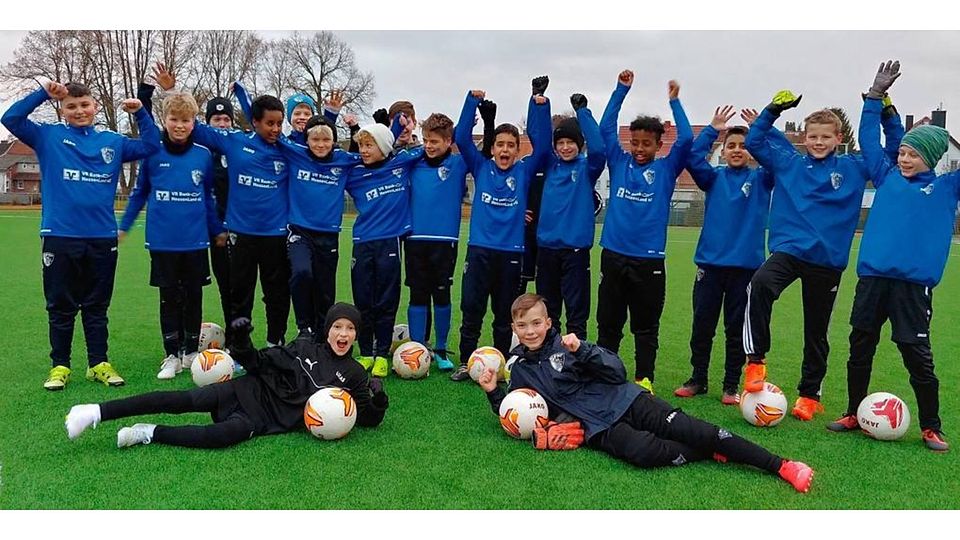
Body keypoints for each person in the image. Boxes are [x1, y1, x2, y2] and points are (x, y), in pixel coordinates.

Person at [476, 293, 814, 493]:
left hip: (626, 399)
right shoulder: (519, 368)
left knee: (694, 429)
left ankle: (781, 465)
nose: (530, 331)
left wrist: (583, 350)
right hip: (597, 428)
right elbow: (519, 410)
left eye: (537, 323)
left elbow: (617, 371)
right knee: (642, 454)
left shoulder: (569, 345)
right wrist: (495, 392)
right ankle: (710, 452)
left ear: (549, 322)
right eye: (523, 325)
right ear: (514, 328)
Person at [741, 66, 905, 421]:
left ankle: (810, 394)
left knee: (816, 329)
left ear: (838, 137)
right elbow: (754, 141)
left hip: (827, 261)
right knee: (759, 285)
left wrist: (887, 110)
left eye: (824, 137)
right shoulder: (788, 162)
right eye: (812, 136)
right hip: (788, 252)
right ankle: (755, 362)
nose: (817, 142)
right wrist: (773, 110)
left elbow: (892, 149)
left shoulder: (855, 166)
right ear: (805, 138)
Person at [1, 79, 161, 390]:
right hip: (60, 236)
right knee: (60, 305)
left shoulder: (112, 142)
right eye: (72, 106)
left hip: (101, 237)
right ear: (62, 110)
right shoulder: (49, 136)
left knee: (96, 305)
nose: (79, 111)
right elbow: (11, 119)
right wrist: (43, 93)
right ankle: (60, 366)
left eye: (85, 105)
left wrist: (141, 112)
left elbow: (151, 146)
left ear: (95, 106)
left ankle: (98, 363)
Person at [827, 60, 952, 452]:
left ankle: (931, 426)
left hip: (912, 289)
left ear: (931, 158)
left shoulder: (947, 188)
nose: (904, 158)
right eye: (902, 152)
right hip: (872, 281)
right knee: (860, 345)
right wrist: (875, 97)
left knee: (916, 353)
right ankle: (852, 411)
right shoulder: (886, 176)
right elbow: (867, 137)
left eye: (913, 154)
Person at [63, 303, 388, 449]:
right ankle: (96, 412)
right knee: (181, 400)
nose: (343, 334)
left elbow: (367, 419)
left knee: (219, 437)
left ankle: (148, 433)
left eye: (350, 329)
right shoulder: (304, 347)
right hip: (247, 391)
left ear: (356, 334)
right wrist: (242, 341)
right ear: (328, 330)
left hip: (265, 422)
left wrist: (378, 402)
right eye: (338, 327)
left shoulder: (355, 374)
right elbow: (258, 362)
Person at [596, 70, 693, 392]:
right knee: (609, 323)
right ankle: (607, 375)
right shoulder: (619, 162)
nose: (639, 148)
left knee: (645, 326)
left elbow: (687, 140)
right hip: (613, 255)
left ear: (658, 144)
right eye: (634, 142)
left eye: (646, 144)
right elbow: (606, 127)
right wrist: (620, 89)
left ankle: (644, 379)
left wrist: (675, 102)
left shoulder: (666, 168)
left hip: (648, 261)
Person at [119, 88, 226, 379]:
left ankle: (191, 352)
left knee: (193, 296)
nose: (180, 125)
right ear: (164, 120)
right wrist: (124, 226)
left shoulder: (203, 155)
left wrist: (216, 230)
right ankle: (170, 355)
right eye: (174, 119)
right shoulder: (152, 154)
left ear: (194, 122)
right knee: (169, 298)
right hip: (163, 241)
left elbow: (208, 197)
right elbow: (140, 194)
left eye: (186, 120)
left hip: (195, 241)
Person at [450, 77, 551, 381]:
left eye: (511, 145)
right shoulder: (481, 167)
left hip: (511, 253)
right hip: (480, 250)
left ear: (518, 150)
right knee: (471, 310)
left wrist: (538, 107)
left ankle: (503, 366)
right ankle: (469, 364)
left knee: (505, 316)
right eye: (500, 145)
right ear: (492, 148)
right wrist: (471, 102)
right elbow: (461, 137)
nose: (505, 150)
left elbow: (544, 146)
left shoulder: (524, 171)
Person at [673, 106, 774, 405]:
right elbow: (692, 157)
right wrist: (712, 130)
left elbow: (776, 160)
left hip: (745, 270)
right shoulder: (712, 178)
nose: (737, 150)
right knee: (702, 324)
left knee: (735, 329)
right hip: (709, 266)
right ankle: (698, 378)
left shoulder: (762, 179)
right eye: (731, 146)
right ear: (723, 150)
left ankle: (731, 385)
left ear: (752, 151)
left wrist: (761, 129)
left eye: (743, 146)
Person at [190, 88, 291, 348]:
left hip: (276, 235)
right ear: (254, 122)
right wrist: (171, 91)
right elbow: (196, 128)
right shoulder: (234, 141)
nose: (276, 129)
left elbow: (319, 147)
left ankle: (274, 344)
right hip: (241, 234)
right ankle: (239, 348)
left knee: (277, 293)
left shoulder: (286, 149)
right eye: (270, 123)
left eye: (280, 123)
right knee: (240, 295)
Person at [345, 119, 423, 377]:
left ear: (384, 146)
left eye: (370, 145)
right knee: (363, 300)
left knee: (386, 301)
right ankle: (366, 352)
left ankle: (381, 353)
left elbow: (433, 146)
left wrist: (405, 128)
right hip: (362, 243)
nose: (364, 150)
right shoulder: (354, 172)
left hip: (389, 243)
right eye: (362, 145)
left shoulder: (401, 164)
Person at [535, 92, 606, 341]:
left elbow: (599, 149)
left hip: (575, 252)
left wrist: (583, 112)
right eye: (560, 142)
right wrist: (540, 104)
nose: (565, 147)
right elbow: (540, 138)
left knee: (577, 312)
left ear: (579, 144)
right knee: (548, 310)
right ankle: (549, 359)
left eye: (571, 142)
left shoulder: (587, 169)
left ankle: (577, 361)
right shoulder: (550, 165)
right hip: (547, 250)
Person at [404, 113, 468, 371]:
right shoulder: (413, 162)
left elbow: (469, 142)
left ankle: (440, 348)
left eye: (435, 142)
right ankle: (418, 349)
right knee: (417, 294)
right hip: (415, 239)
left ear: (448, 141)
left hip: (445, 241)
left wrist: (471, 102)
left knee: (441, 294)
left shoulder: (458, 163)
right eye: (427, 140)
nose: (429, 146)